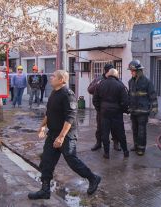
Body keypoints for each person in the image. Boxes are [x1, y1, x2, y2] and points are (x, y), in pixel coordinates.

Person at [28, 70, 101, 200]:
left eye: (53, 76)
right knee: (46, 161)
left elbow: (70, 118)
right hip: (53, 133)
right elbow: (49, 113)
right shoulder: (53, 92)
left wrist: (61, 137)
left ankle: (93, 178)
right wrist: (42, 126)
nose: (51, 77)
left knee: (72, 160)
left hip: (66, 135)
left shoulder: (68, 95)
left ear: (61, 80)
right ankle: (45, 190)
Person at [93, 69, 129, 159]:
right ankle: (125, 151)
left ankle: (106, 153)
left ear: (108, 75)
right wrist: (122, 110)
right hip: (117, 113)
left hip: (104, 113)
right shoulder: (120, 85)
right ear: (116, 76)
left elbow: (95, 100)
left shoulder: (100, 84)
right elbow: (125, 101)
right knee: (121, 133)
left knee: (105, 133)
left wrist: (100, 109)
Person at [87, 64, 121, 151]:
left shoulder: (116, 80)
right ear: (106, 71)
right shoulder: (99, 79)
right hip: (102, 109)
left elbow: (122, 92)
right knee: (100, 127)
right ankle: (98, 143)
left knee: (115, 127)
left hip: (114, 110)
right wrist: (99, 108)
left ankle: (116, 143)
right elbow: (90, 90)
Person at [128, 60, 158, 156]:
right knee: (135, 129)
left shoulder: (147, 82)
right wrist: (128, 106)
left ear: (138, 71)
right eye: (131, 71)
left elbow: (152, 96)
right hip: (133, 111)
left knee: (141, 131)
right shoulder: (130, 82)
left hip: (143, 111)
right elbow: (130, 95)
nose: (131, 72)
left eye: (132, 71)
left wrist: (154, 109)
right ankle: (136, 145)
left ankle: (141, 149)